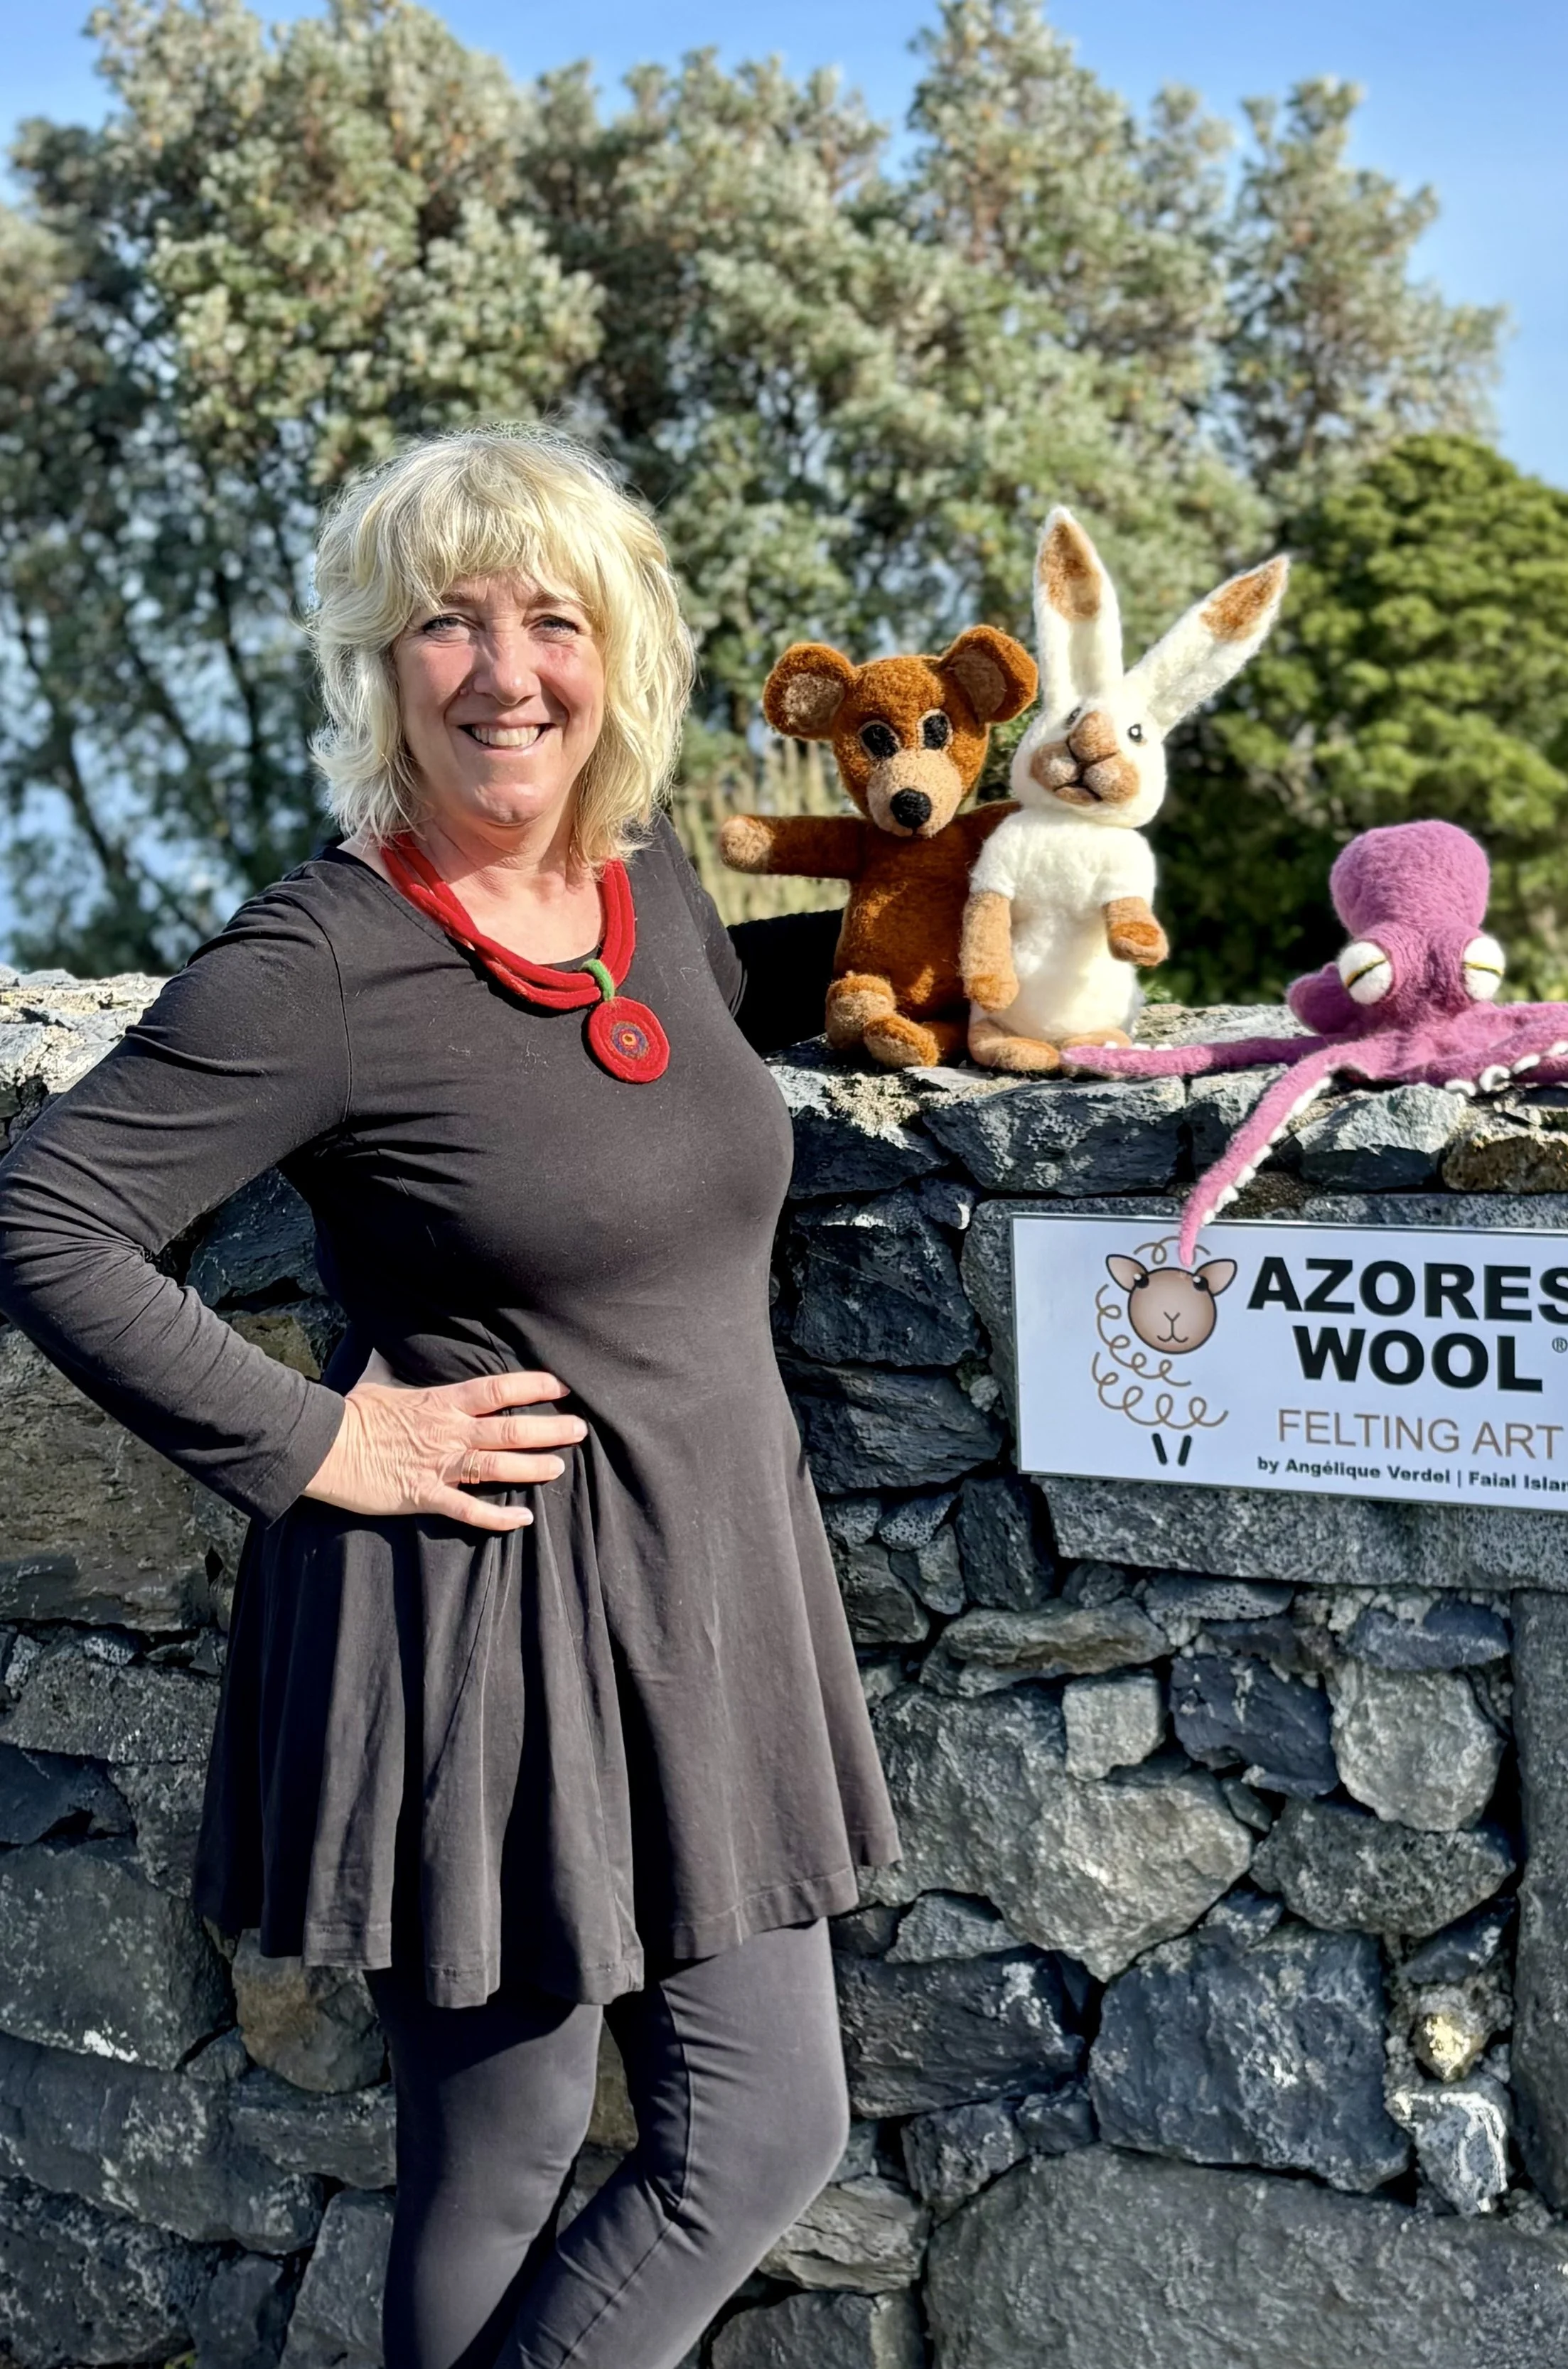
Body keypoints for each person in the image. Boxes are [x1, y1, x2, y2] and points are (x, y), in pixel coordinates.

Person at [0, 424, 902, 2369]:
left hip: (708, 1601)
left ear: (622, 653)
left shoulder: (637, 884)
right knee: (494, 2166)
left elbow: (686, 1034)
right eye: (447, 625)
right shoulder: (319, 959)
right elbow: (48, 1214)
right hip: (473, 1635)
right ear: (377, 664)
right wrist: (323, 1437)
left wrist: (1007, 944)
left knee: (763, 2124)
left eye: (552, 621)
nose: (506, 673)